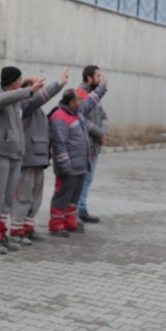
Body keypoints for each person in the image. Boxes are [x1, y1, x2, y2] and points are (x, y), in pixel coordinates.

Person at [0, 66, 45, 254]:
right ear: (11, 81)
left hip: (15, 156)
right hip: (0, 155)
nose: (21, 82)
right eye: (19, 79)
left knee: (8, 200)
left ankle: (2, 235)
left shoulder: (17, 103)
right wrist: (29, 90)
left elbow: (31, 98)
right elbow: (5, 98)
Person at [8, 67, 69, 245]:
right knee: (23, 197)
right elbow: (40, 97)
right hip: (27, 160)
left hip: (39, 160)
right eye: (37, 84)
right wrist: (59, 84)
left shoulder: (37, 109)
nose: (41, 87)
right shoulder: (24, 104)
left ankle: (28, 228)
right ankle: (17, 230)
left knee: (36, 197)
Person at [48, 85, 106, 236]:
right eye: (79, 100)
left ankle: (69, 222)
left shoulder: (76, 113)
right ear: (71, 102)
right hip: (68, 167)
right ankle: (56, 225)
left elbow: (89, 102)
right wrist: (65, 166)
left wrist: (101, 88)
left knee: (73, 197)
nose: (82, 102)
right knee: (62, 196)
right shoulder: (60, 117)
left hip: (80, 166)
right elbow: (59, 144)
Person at [75, 65, 109, 224]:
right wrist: (99, 133)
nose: (100, 79)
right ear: (89, 78)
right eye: (97, 76)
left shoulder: (96, 96)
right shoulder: (79, 94)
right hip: (85, 144)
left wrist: (103, 132)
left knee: (88, 179)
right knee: (80, 179)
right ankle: (75, 211)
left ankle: (82, 209)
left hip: (95, 144)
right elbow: (82, 119)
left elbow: (103, 116)